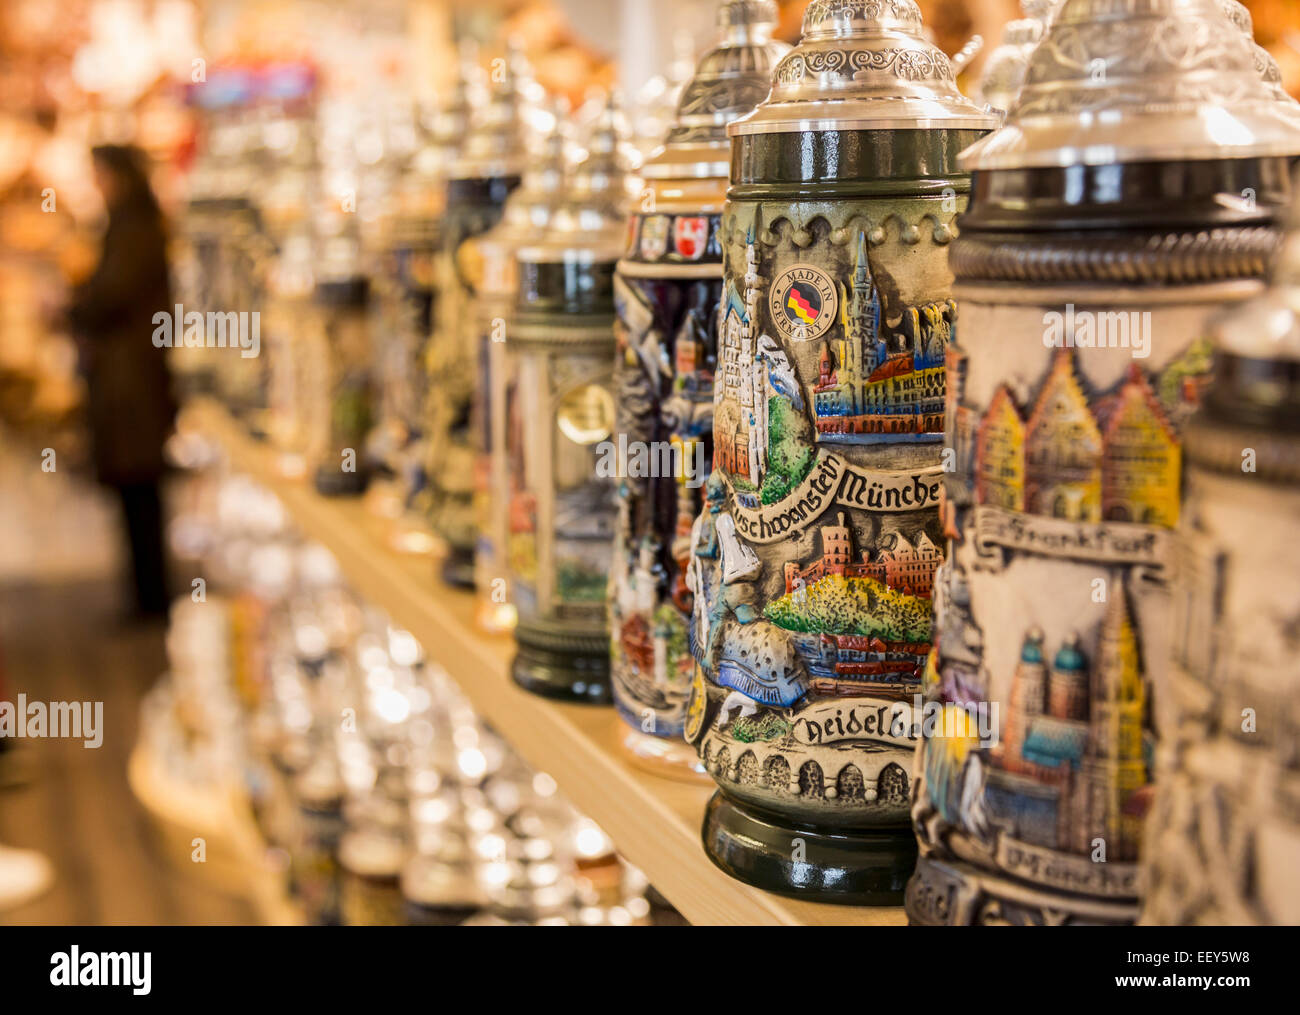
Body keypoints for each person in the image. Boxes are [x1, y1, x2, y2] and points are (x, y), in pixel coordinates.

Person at [67, 145, 176, 618]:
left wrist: (74, 306)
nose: (99, 187)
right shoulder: (128, 227)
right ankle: (145, 595)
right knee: (135, 496)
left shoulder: (135, 230)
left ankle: (151, 598)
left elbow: (111, 295)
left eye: (102, 176)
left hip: (132, 386)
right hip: (127, 380)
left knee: (141, 493)